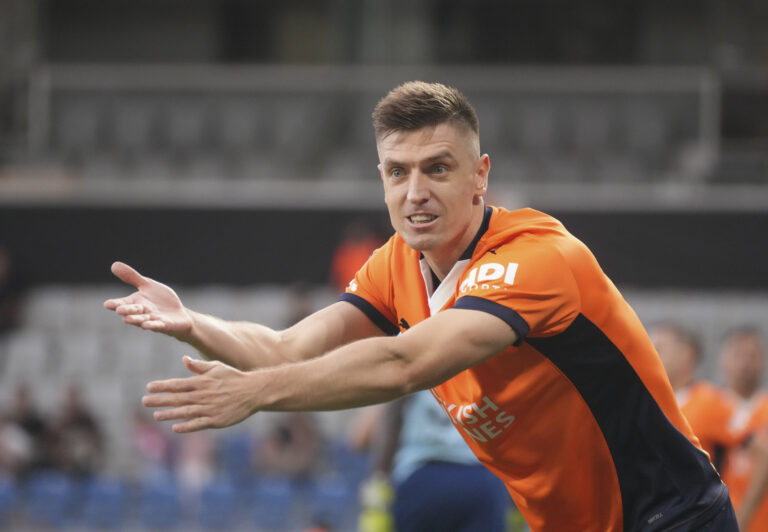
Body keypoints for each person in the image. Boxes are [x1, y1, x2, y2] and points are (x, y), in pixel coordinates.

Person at [105, 81, 737, 531]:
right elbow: (285, 348)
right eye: (396, 172)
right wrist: (194, 324)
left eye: (437, 168)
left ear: (480, 174)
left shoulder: (538, 257)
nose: (415, 193)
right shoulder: (395, 264)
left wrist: (256, 394)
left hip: (672, 516)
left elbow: (405, 363)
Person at [356, 390, 510, 532]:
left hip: (421, 476)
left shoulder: (413, 370)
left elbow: (388, 421)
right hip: (479, 477)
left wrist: (379, 479)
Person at [649, 323, 734, 467]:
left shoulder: (711, 400)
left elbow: (753, 449)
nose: (651, 355)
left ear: (687, 355)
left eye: (659, 349)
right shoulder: (647, 401)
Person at [715, 328, 768, 531]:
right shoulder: (707, 405)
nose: (745, 363)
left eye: (752, 355)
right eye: (738, 355)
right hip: (720, 519)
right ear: (722, 360)